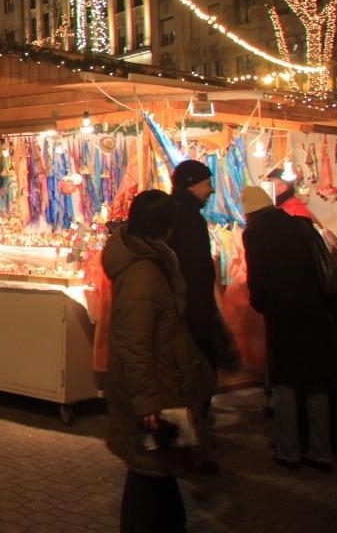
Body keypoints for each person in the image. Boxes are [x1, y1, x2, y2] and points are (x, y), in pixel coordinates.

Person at [104, 190, 215, 533]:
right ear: (166, 226)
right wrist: (146, 400)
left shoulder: (153, 264)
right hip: (156, 392)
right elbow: (134, 343)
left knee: (159, 468)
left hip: (165, 384)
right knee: (150, 470)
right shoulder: (143, 274)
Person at [241, 186, 337, 473]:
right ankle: (321, 451)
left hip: (283, 314)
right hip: (315, 311)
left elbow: (258, 279)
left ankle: (289, 450)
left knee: (285, 382)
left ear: (249, 213)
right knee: (316, 381)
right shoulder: (300, 225)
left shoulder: (255, 234)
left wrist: (260, 303)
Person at [167, 160, 227, 374]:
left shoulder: (173, 213)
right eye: (207, 183)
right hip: (190, 304)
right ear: (192, 185)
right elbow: (195, 269)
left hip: (182, 303)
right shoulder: (189, 218)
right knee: (197, 365)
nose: (210, 190)